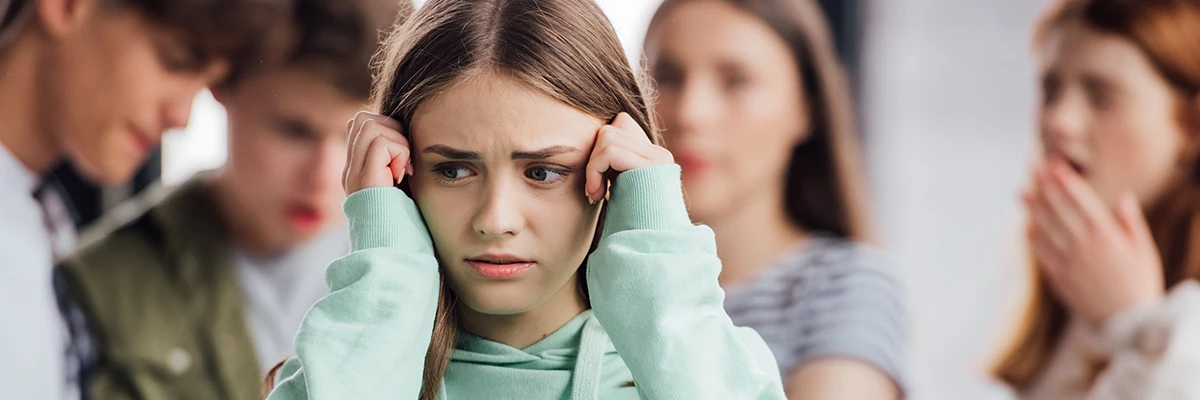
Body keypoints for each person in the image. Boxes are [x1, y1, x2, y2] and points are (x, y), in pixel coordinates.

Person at [263, 0, 787, 398]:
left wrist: (656, 261)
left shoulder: (719, 371)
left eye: (542, 172)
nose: (496, 220)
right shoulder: (330, 375)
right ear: (400, 179)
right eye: (454, 170)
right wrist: (383, 282)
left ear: (616, 173)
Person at [54, 1, 409, 399]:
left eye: (356, 139)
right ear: (219, 87)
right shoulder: (99, 283)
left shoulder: (424, 267)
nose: (325, 174)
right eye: (294, 131)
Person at [0, 0, 285, 398]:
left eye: (204, 83)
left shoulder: (38, 220)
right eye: (174, 59)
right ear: (66, 6)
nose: (182, 116)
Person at [642, 0, 906, 398]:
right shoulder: (595, 280)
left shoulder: (844, 286)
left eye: (736, 81)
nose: (690, 113)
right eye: (667, 77)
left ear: (806, 108)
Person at [992, 0, 1200, 399]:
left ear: (1190, 128)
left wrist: (1139, 330)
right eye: (1050, 89)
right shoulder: (1066, 315)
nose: (1056, 120)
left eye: (1101, 96)